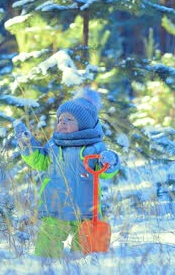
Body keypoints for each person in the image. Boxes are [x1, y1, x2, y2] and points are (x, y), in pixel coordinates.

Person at [14, 89, 120, 258]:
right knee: (47, 248)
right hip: (55, 206)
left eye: (69, 119)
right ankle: (45, 264)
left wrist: (110, 161)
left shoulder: (94, 148)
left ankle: (83, 263)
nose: (62, 122)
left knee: (85, 252)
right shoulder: (54, 145)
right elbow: (40, 161)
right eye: (60, 119)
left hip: (86, 209)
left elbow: (105, 172)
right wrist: (26, 143)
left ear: (84, 125)